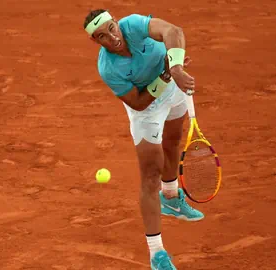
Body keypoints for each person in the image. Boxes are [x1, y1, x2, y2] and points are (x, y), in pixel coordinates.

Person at [83, 9, 205, 269]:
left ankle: (171, 199)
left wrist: (176, 68)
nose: (112, 38)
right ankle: (156, 252)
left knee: (173, 141)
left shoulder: (134, 25)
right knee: (150, 175)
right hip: (148, 107)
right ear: (96, 42)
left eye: (111, 28)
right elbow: (138, 103)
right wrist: (166, 76)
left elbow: (173, 32)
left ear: (117, 23)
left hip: (175, 88)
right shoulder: (108, 68)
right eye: (102, 36)